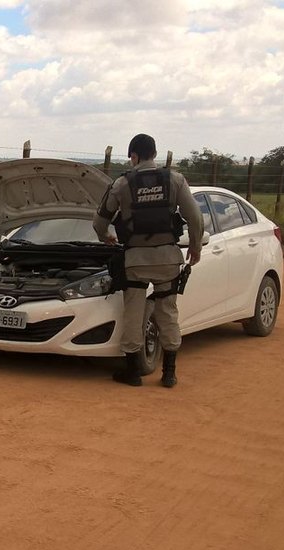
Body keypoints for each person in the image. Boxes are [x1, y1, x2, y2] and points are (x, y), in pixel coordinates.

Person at [93, 133, 203, 388]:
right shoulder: (175, 179)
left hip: (135, 261)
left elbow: (99, 221)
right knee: (167, 311)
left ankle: (132, 373)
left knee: (133, 311)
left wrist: (106, 237)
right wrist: (195, 247)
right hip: (167, 259)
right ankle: (169, 373)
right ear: (154, 154)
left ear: (133, 155)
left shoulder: (122, 183)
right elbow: (195, 218)